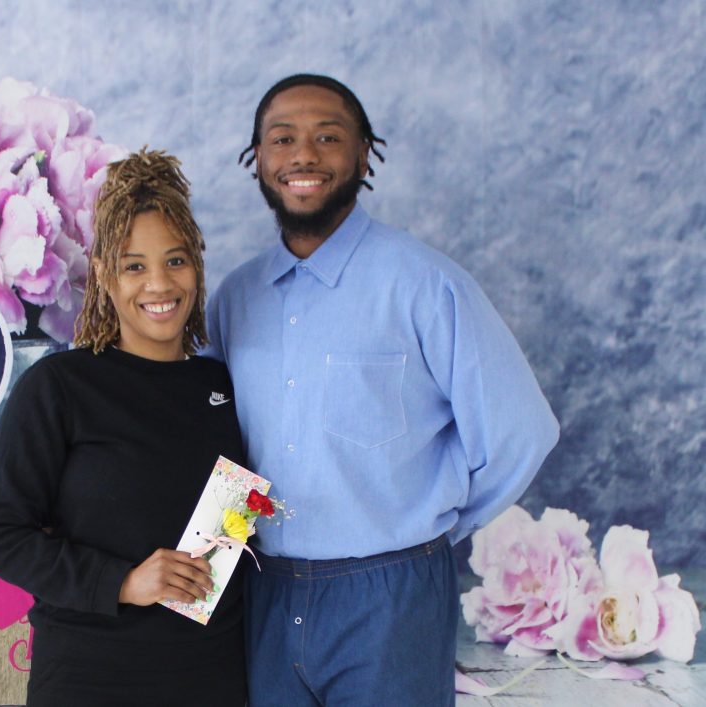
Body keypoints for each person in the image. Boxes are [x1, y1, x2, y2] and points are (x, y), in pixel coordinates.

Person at [205, 74, 561, 706]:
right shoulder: (235, 298)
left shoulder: (425, 285)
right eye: (282, 138)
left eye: (328, 136)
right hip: (263, 588)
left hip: (391, 592)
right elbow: (229, 449)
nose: (304, 155)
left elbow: (520, 434)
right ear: (257, 159)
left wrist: (431, 528)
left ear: (365, 153)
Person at [0, 148, 247, 707]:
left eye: (176, 261)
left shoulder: (223, 386)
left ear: (196, 264)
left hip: (211, 678)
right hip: (89, 680)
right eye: (134, 266)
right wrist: (122, 582)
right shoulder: (60, 388)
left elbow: (239, 520)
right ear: (103, 273)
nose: (159, 285)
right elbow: (1, 538)